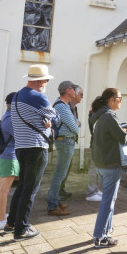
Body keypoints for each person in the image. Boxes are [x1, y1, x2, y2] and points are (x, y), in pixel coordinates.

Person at [6, 65, 57, 241]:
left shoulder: (17, 96)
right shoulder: (39, 98)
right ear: (41, 81)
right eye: (46, 80)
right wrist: (49, 123)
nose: (46, 83)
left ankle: (11, 223)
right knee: (30, 189)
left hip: (20, 147)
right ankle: (21, 230)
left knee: (22, 187)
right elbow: (54, 116)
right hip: (36, 147)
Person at [89, 87, 127, 247]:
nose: (121, 101)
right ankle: (99, 236)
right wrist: (125, 129)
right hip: (110, 163)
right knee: (108, 200)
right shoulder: (109, 116)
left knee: (109, 198)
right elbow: (122, 138)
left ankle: (107, 229)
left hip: (100, 161)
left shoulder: (96, 115)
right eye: (120, 98)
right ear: (112, 99)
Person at [47, 81, 82, 216]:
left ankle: (54, 200)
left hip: (66, 141)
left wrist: (76, 123)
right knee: (60, 174)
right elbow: (75, 127)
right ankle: (52, 205)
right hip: (65, 142)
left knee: (60, 174)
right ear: (68, 90)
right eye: (74, 88)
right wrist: (76, 124)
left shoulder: (63, 105)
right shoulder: (62, 106)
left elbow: (78, 122)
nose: (76, 91)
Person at [0, 92, 17, 231]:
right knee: (4, 189)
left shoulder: (8, 116)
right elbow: (20, 135)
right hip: (9, 157)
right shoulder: (10, 120)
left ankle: (1, 216)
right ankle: (1, 219)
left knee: (2, 188)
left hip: (6, 156)